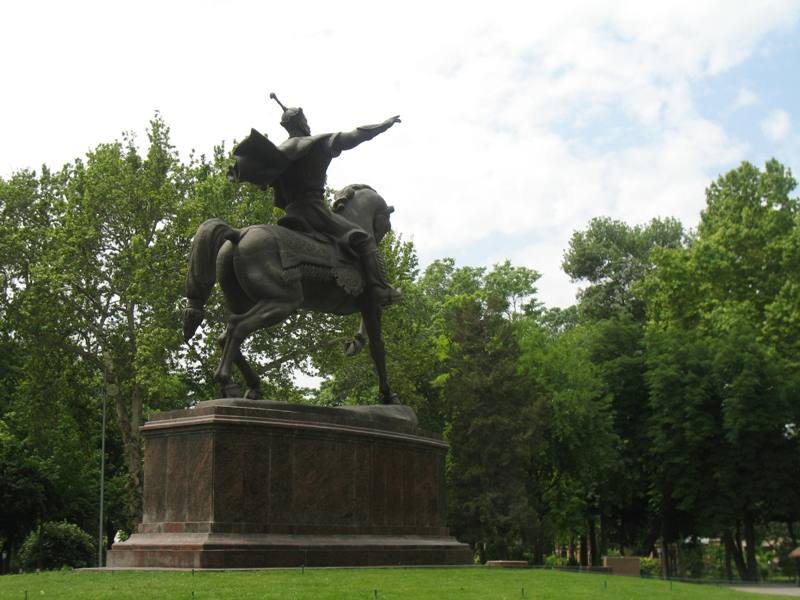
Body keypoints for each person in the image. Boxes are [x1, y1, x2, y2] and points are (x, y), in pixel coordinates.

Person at [229, 93, 402, 306]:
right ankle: (380, 289)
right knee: (364, 239)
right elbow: (355, 135)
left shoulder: (280, 154)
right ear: (302, 122)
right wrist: (382, 126)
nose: (308, 124)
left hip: (291, 215)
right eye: (306, 120)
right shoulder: (316, 143)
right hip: (316, 213)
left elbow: (265, 180)